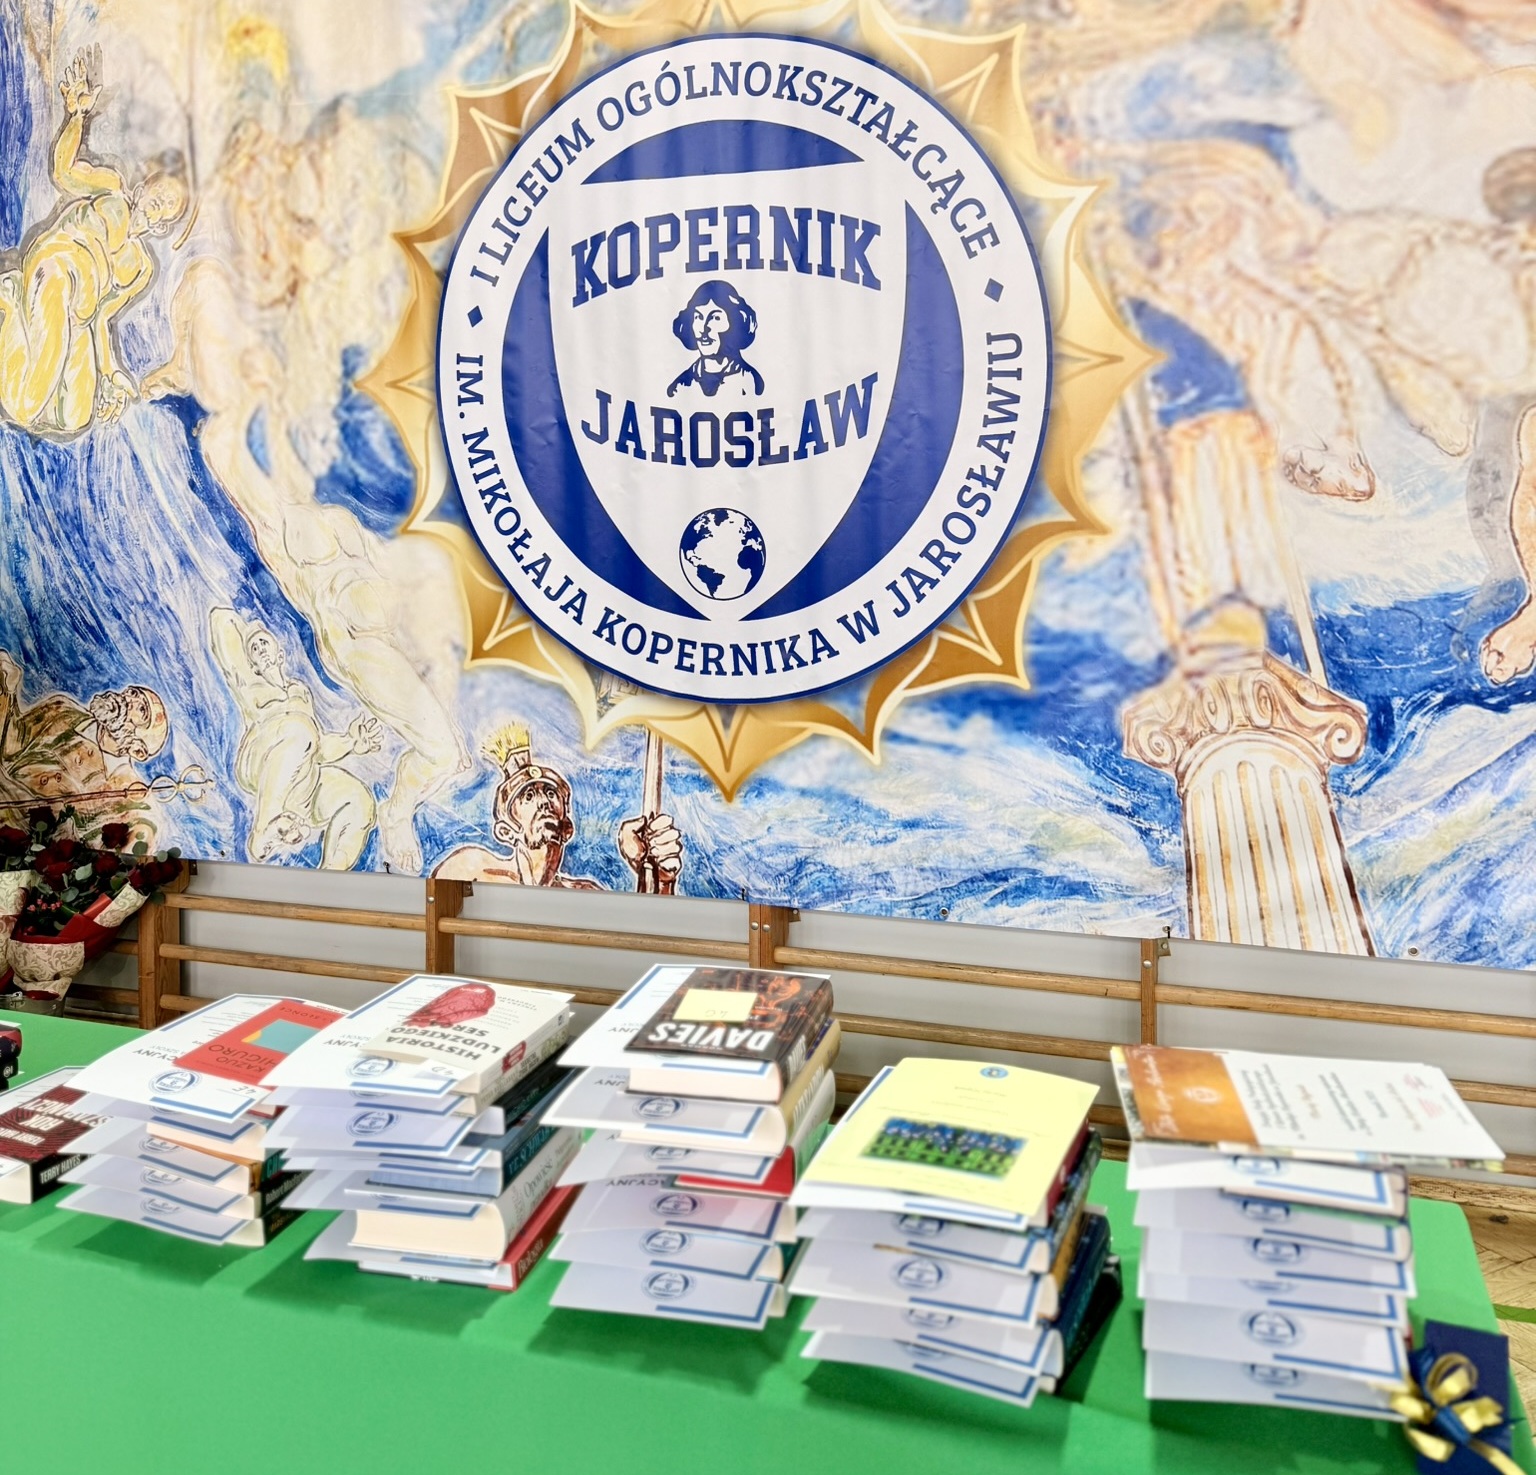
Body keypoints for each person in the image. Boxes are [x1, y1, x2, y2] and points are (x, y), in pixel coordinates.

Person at [0, 48, 188, 438]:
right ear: (145, 185)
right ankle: (11, 293)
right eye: (162, 192)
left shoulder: (141, 267)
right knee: (25, 405)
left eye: (172, 206)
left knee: (74, 419)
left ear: (166, 224)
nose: (164, 203)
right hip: (57, 272)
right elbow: (63, 171)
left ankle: (22, 317)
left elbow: (103, 318)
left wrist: (113, 372)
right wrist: (76, 116)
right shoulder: (112, 191)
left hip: (81, 316)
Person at [209, 608, 381, 868]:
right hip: (260, 761)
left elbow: (317, 747)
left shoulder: (300, 691)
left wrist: (350, 742)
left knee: (359, 799)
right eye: (254, 649)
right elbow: (220, 621)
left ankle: (331, 874)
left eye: (264, 643)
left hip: (301, 782)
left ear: (280, 654)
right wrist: (248, 630)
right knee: (299, 730)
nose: (260, 649)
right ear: (251, 665)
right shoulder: (249, 684)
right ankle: (263, 828)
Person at [433, 727, 683, 891]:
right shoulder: (470, 870)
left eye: (550, 793)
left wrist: (659, 879)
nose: (543, 802)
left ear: (567, 828)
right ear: (506, 832)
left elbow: (639, 940)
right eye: (528, 796)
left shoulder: (585, 897)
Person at [0, 650, 167, 837]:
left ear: (138, 751)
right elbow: (10, 745)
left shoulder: (129, 795)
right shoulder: (62, 710)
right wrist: (7, 690)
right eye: (133, 692)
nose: (128, 700)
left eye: (141, 709)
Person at [666, 280, 765, 399]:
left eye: (715, 318)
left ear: (737, 323)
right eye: (698, 317)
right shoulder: (680, 387)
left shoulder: (751, 382)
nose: (703, 328)